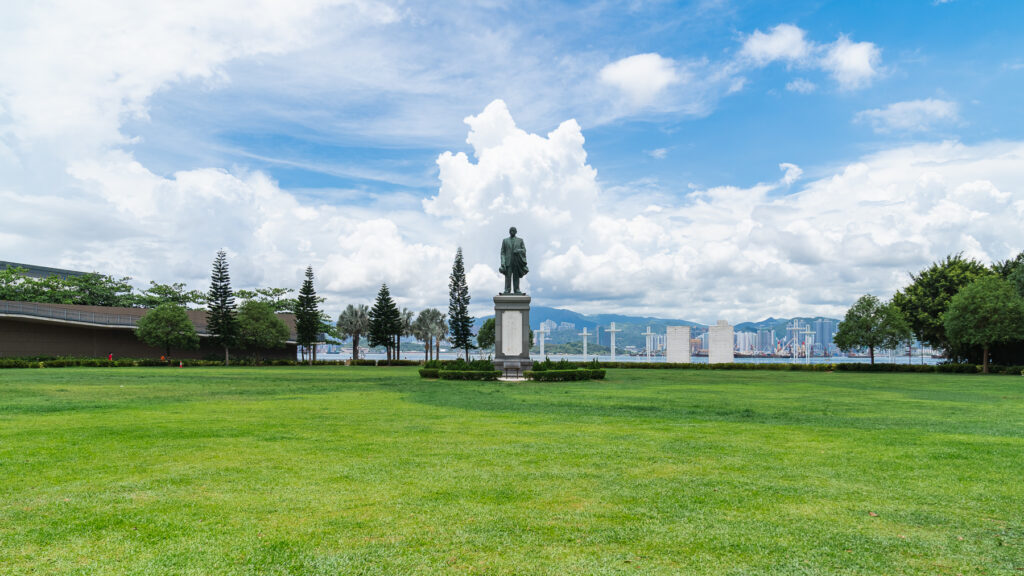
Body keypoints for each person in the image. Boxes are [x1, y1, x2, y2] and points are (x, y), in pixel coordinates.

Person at [499, 226, 528, 294]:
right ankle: (507, 290)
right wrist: (503, 262)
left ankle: (517, 289)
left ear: (516, 232)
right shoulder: (505, 240)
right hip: (508, 262)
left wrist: (518, 250)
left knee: (516, 276)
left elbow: (524, 250)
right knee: (508, 277)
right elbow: (502, 253)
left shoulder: (520, 240)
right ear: (509, 232)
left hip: (516, 261)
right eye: (511, 230)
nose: (512, 232)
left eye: (513, 230)